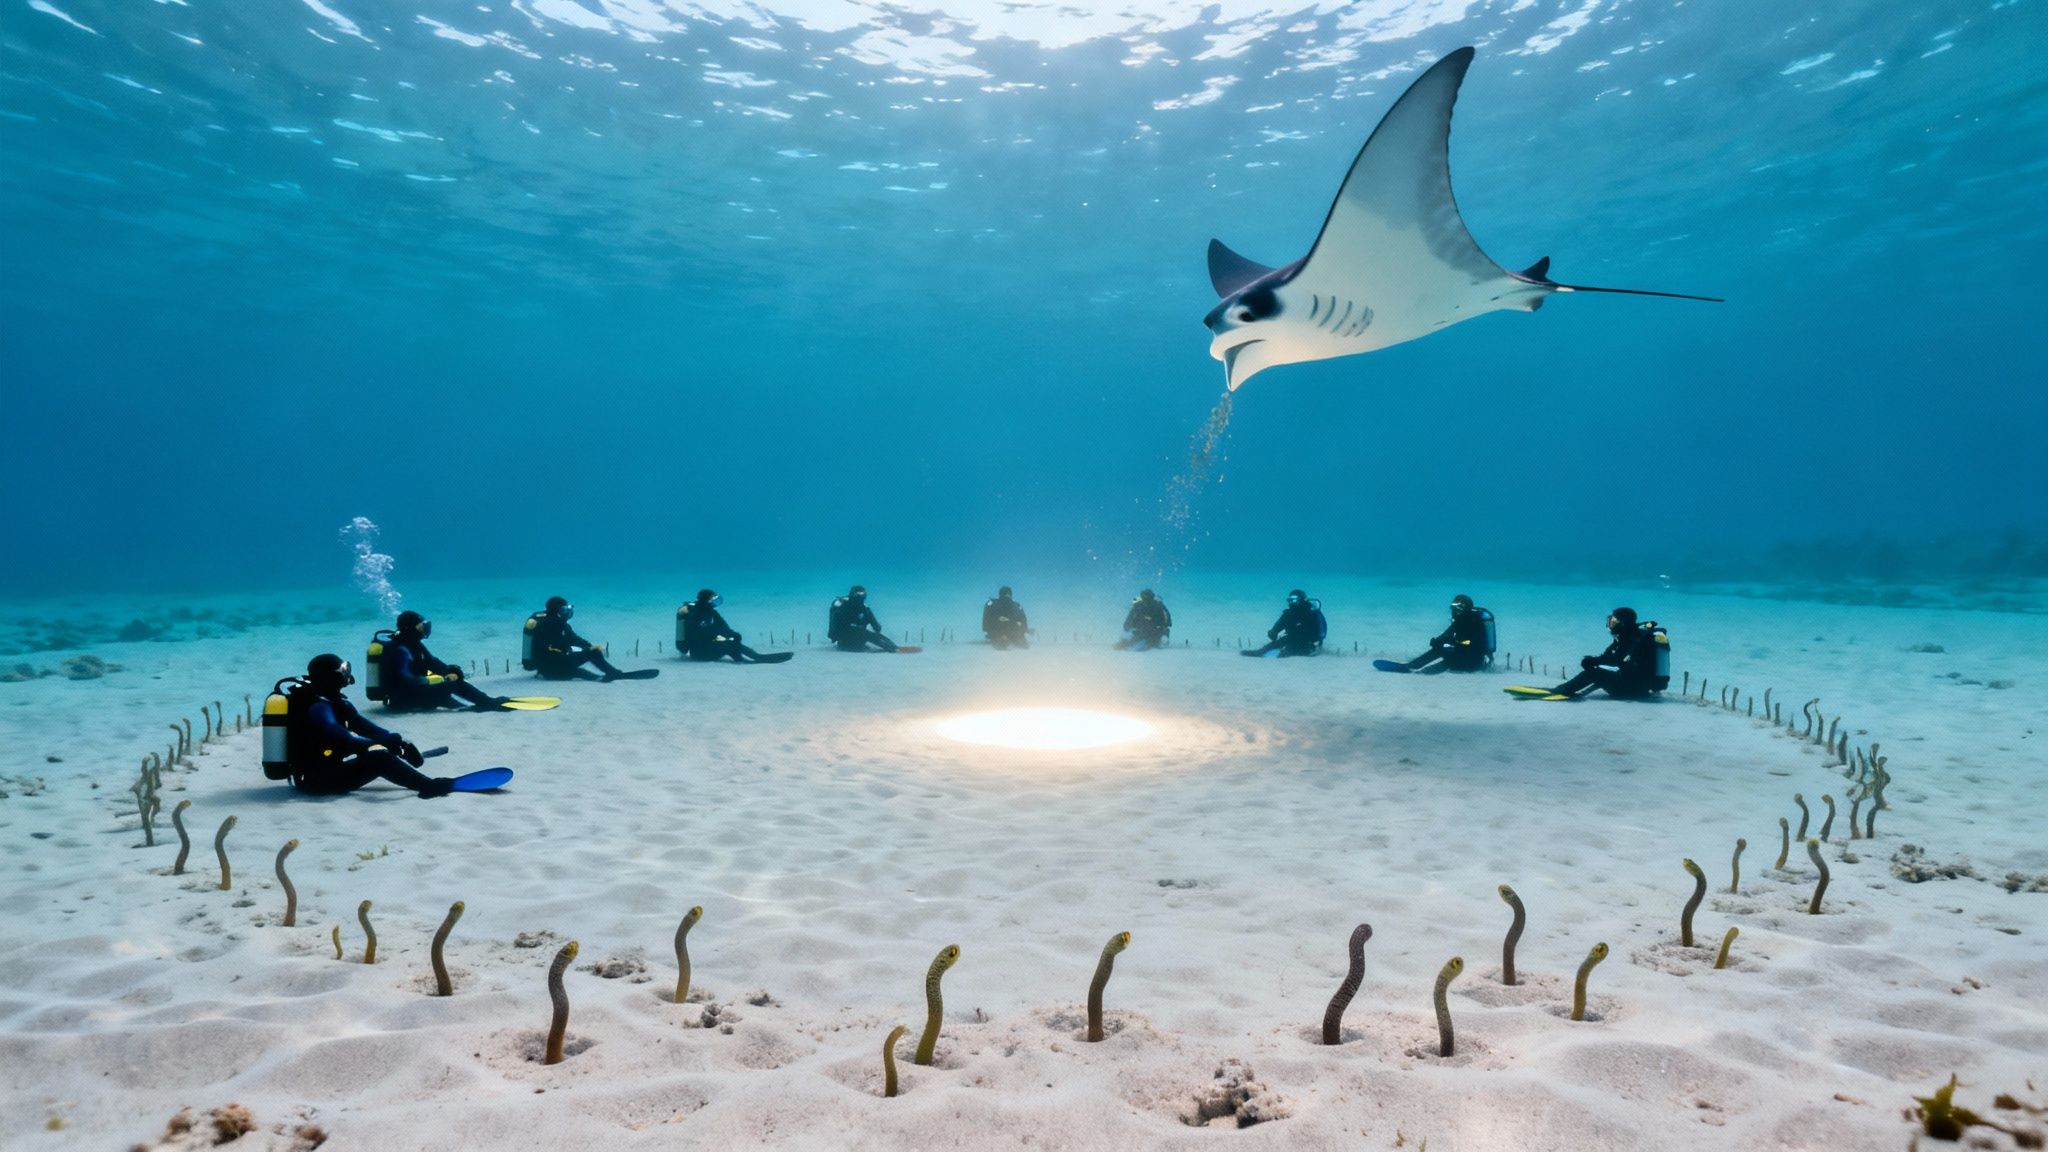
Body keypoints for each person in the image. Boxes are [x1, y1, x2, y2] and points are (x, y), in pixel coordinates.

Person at [283, 654, 456, 797]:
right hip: (315, 781)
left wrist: (399, 743)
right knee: (379, 758)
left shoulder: (336, 702)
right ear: (332, 677)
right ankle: (428, 786)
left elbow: (366, 728)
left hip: (327, 771)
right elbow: (345, 739)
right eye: (343, 670)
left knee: (381, 753)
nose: (346, 674)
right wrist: (378, 747)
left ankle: (421, 781)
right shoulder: (319, 708)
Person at [378, 610, 509, 711]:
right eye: (420, 627)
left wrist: (449, 671)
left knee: (453, 681)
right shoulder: (399, 650)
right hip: (403, 699)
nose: (424, 629)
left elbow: (432, 663)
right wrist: (437, 680)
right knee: (452, 685)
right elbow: (405, 678)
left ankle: (483, 702)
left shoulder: (414, 645)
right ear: (411, 628)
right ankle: (488, 703)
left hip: (410, 695)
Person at [1541, 607, 1667, 699]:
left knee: (1593, 673)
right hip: (1638, 687)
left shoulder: (1631, 639)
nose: (1610, 625)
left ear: (1622, 623)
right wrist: (1593, 661)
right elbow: (1609, 657)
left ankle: (1562, 691)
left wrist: (1592, 662)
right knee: (1597, 671)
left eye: (1613, 622)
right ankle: (1565, 689)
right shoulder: (1631, 636)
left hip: (1631, 690)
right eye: (1610, 621)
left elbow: (1616, 659)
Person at [525, 596, 658, 681]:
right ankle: (613, 674)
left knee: (583, 667)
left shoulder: (551, 622)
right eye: (565, 609)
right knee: (588, 659)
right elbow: (567, 641)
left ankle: (597, 676)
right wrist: (590, 650)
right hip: (553, 667)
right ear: (558, 611)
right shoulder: (553, 624)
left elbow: (574, 639)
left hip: (547, 668)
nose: (567, 612)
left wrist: (588, 647)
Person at [1389, 594, 1494, 673]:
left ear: (1463, 609)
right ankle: (1412, 666)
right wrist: (1438, 641)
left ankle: (1422, 672)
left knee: (1448, 657)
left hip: (1473, 662)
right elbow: (1448, 634)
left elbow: (1472, 644)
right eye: (1452, 608)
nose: (1453, 611)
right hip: (1464, 655)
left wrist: (1451, 644)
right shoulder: (1460, 621)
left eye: (1456, 608)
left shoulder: (1473, 622)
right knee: (1440, 650)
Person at [681, 589, 790, 663]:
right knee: (729, 644)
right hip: (699, 653)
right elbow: (701, 633)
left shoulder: (711, 612)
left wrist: (733, 635)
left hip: (706, 647)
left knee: (732, 641)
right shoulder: (694, 614)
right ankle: (742, 660)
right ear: (706, 600)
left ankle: (755, 656)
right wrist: (725, 637)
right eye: (713, 600)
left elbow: (723, 626)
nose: (715, 603)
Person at [1243, 589, 1324, 657]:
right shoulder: (1288, 614)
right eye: (1289, 600)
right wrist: (1273, 632)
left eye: (1294, 600)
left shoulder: (1312, 614)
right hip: (1291, 638)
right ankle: (1260, 652)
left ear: (1302, 600)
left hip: (1308, 643)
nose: (1291, 603)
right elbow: (1279, 625)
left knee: (1286, 651)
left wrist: (1316, 643)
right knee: (1271, 646)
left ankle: (1284, 653)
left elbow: (1320, 633)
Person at [828, 585, 898, 652]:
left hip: (856, 640)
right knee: (866, 634)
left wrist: (876, 627)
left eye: (862, 594)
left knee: (867, 634)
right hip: (843, 636)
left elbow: (875, 625)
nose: (860, 596)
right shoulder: (843, 606)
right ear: (852, 594)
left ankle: (892, 646)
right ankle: (892, 647)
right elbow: (834, 625)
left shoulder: (864, 608)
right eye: (858, 594)